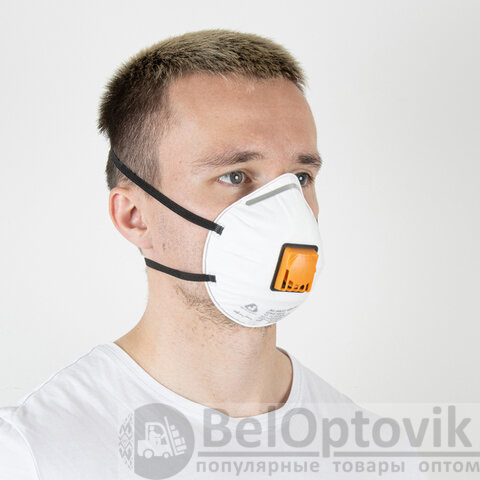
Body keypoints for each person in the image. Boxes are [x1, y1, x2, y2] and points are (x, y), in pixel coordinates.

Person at [0, 29, 424, 479]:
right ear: (134, 217)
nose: (288, 214)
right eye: (235, 176)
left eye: (300, 178)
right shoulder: (34, 455)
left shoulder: (380, 459)